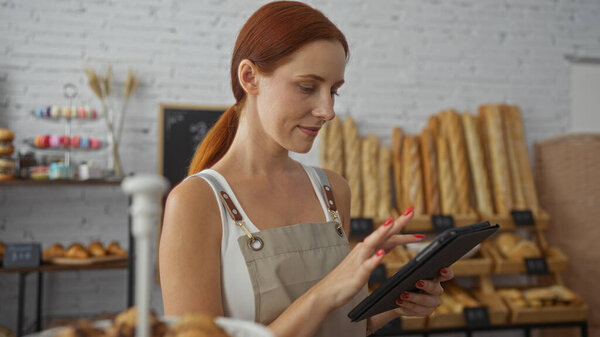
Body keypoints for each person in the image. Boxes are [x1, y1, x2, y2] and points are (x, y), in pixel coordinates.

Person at [159, 2, 454, 336]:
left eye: (334, 91)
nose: (327, 110)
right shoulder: (196, 202)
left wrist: (397, 303)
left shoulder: (332, 190)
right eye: (307, 87)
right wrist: (325, 293)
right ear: (249, 77)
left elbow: (343, 327)